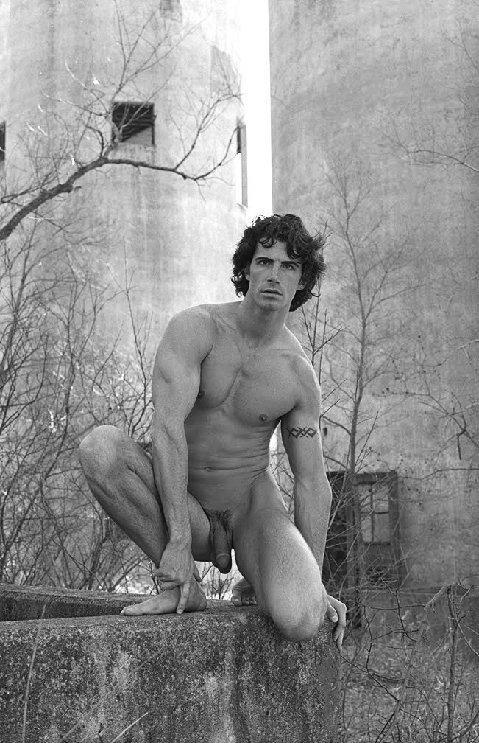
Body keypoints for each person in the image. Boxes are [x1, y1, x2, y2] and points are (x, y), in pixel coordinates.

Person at [79, 213, 347, 648]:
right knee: (100, 449)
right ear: (246, 269)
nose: (274, 275)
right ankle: (182, 586)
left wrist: (313, 579)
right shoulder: (197, 329)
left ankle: (263, 578)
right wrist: (179, 540)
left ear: (302, 281)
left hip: (250, 510)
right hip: (182, 504)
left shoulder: (296, 375)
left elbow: (313, 482)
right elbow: (166, 430)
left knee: (302, 619)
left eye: (289, 266)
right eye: (265, 261)